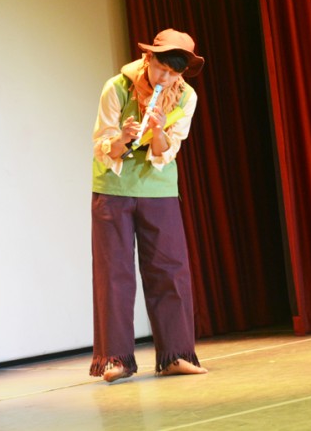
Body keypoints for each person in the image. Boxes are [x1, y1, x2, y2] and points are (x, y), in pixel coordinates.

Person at [89, 28, 208, 382]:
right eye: (161, 69)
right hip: (113, 187)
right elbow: (103, 145)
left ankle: (176, 354)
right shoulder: (117, 87)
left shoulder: (185, 97)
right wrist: (124, 138)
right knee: (114, 272)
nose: (165, 79)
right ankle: (115, 358)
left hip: (159, 189)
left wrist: (156, 130)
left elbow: (166, 151)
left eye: (173, 73)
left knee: (169, 269)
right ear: (148, 59)